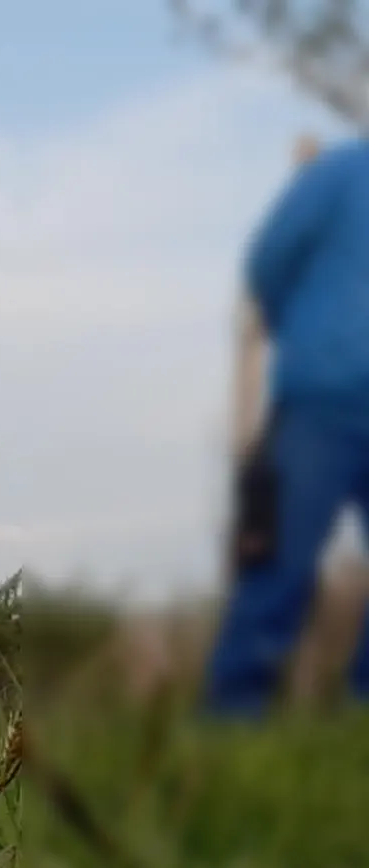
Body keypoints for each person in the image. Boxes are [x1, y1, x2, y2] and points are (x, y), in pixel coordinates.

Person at [203, 136, 369, 718]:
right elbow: (270, 259)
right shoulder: (342, 172)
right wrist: (303, 328)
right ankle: (230, 724)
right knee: (277, 567)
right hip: (319, 402)